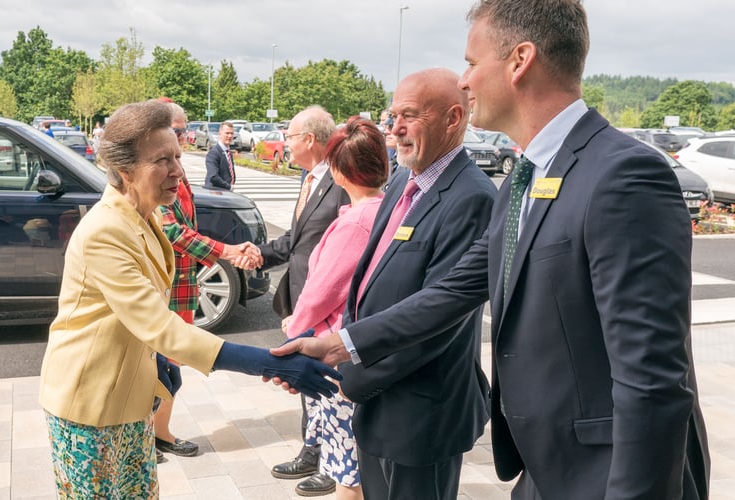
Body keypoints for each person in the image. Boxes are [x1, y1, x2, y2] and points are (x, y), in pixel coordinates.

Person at [275, 1, 711, 498]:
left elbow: (652, 380)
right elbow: (454, 290)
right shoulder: (523, 179)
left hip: (607, 473)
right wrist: (340, 345)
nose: (465, 81)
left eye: (471, 63)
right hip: (544, 467)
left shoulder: (623, 175)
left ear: (520, 60)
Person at [38, 99, 341, 498]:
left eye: (178, 156)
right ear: (125, 170)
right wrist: (269, 363)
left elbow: (139, 312)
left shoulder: (143, 216)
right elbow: (159, 325)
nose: (178, 171)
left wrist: (159, 359)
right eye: (162, 160)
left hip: (128, 397)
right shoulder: (105, 231)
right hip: (90, 405)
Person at [278, 67, 497, 499]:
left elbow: (439, 317)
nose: (394, 127)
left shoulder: (472, 197)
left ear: (454, 118)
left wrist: (349, 373)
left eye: (410, 115)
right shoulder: (402, 179)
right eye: (393, 114)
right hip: (379, 401)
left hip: (421, 412)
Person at [282, 116, 388, 499]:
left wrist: (295, 331)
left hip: (337, 351)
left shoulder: (357, 221)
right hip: (364, 347)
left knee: (348, 472)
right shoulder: (388, 209)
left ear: (341, 171)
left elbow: (321, 290)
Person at [154, 101, 260, 460]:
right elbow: (170, 230)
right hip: (161, 290)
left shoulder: (177, 169)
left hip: (181, 287)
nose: (185, 137)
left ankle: (159, 434)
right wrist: (227, 252)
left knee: (170, 367)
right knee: (156, 372)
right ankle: (146, 440)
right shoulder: (151, 173)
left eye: (184, 130)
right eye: (178, 130)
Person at [259, 105, 350, 497]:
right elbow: (296, 245)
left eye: (290, 136)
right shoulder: (309, 178)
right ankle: (312, 449)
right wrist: (258, 254)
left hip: (326, 305)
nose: (286, 143)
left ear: (309, 140)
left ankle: (334, 463)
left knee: (329, 386)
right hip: (301, 298)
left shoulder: (342, 181)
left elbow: (343, 254)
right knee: (306, 381)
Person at [204, 121, 237, 191]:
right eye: (227, 133)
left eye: (232, 133)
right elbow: (213, 176)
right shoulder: (213, 153)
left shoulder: (228, 152)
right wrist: (229, 187)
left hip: (225, 191)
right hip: (215, 192)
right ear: (220, 134)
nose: (230, 136)